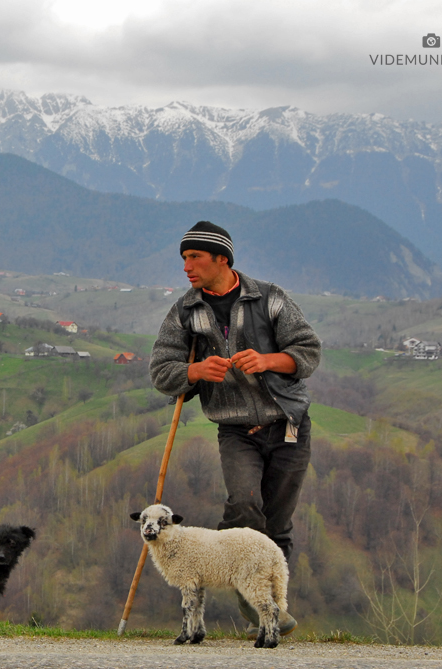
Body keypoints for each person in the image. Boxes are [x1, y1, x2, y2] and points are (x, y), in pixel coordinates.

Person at [149, 220, 321, 636]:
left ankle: (273, 611)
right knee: (245, 508)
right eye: (183, 258)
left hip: (288, 424)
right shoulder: (186, 312)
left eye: (195, 257)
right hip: (234, 429)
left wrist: (267, 360)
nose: (186, 266)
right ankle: (259, 607)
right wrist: (195, 370)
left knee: (277, 522)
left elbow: (308, 350)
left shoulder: (270, 299)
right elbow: (161, 370)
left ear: (222, 259)